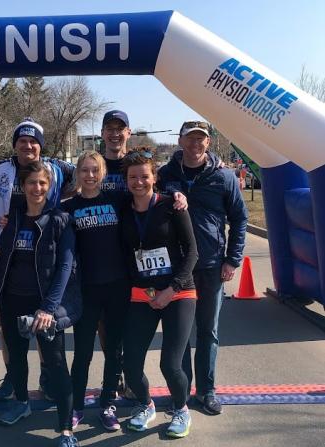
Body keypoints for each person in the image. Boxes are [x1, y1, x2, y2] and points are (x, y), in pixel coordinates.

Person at [157, 121, 248, 415]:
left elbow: (240, 219)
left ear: (208, 143)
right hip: (177, 268)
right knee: (180, 335)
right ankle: (181, 392)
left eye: (201, 139)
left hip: (210, 266)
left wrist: (232, 259)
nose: (196, 144)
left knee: (208, 331)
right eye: (190, 138)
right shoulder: (165, 175)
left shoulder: (223, 176)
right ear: (180, 141)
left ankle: (207, 391)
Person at [0, 161, 80, 447]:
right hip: (13, 301)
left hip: (44, 306)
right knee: (16, 358)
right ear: (23, 186)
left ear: (50, 186)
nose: (37, 188)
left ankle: (66, 429)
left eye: (42, 183)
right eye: (31, 182)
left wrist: (49, 308)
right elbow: (3, 262)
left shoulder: (60, 220)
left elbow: (65, 267)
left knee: (56, 364)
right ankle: (21, 403)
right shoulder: (13, 220)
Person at [0, 118, 76, 401]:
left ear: (41, 146)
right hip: (14, 245)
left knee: (40, 322)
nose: (28, 146)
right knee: (10, 327)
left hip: (44, 248)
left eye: (33, 142)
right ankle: (12, 376)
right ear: (15, 144)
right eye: (22, 141)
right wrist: (7, 219)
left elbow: (89, 175)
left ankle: (46, 373)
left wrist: (69, 197)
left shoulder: (58, 167)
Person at [119, 149, 198, 438]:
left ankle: (181, 409)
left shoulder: (172, 206)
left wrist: (171, 289)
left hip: (178, 292)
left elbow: (192, 252)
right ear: (126, 180)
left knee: (170, 363)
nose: (138, 182)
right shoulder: (123, 210)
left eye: (144, 176)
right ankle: (145, 404)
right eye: (133, 177)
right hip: (144, 292)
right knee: (130, 361)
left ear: (155, 178)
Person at [62, 150, 130, 432]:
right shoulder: (68, 208)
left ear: (103, 174)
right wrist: (10, 220)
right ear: (77, 174)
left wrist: (177, 197)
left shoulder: (117, 201)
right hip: (86, 289)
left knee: (114, 350)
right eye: (84, 170)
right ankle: (76, 404)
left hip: (117, 286)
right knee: (83, 351)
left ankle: (107, 403)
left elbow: (149, 201)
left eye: (95, 170)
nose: (89, 175)